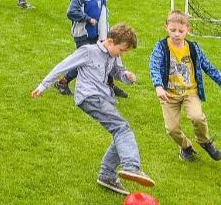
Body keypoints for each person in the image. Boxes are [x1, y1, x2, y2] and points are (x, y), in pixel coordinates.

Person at [32, 23, 151, 196]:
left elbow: (118, 72)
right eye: (122, 50)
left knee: (121, 132)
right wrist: (43, 86)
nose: (122, 54)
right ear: (110, 41)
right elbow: (62, 66)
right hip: (89, 97)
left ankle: (107, 175)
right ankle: (131, 167)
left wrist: (128, 77)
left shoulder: (114, 55)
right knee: (122, 129)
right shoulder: (88, 51)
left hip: (103, 98)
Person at [149, 11, 221, 163]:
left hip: (190, 93)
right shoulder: (161, 47)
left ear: (188, 30)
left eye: (181, 31)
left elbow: (210, 68)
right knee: (172, 129)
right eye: (172, 30)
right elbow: (153, 66)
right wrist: (158, 86)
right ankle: (186, 147)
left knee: (197, 117)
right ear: (166, 27)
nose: (177, 34)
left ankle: (204, 141)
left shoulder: (194, 48)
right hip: (168, 95)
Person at [53, 0, 126, 98]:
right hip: (83, 36)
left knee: (107, 57)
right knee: (84, 61)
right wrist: (87, 19)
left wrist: (105, 36)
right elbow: (71, 13)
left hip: (98, 36)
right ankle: (62, 82)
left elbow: (104, 17)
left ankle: (110, 85)